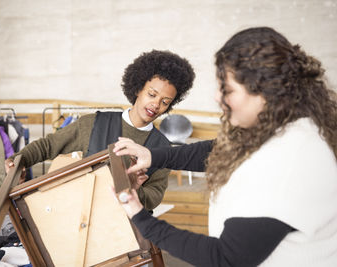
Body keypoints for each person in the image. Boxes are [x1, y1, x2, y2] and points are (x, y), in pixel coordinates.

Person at [113, 27, 337, 266]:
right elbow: (216, 150)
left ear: (265, 92)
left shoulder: (290, 159)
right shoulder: (279, 126)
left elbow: (226, 257)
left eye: (227, 90)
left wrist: (140, 218)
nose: (217, 98)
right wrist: (152, 156)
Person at [5, 49, 195, 210]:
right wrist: (18, 161)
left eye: (165, 102)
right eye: (152, 94)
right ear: (138, 88)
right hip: (80, 215)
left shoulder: (163, 148)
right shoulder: (94, 123)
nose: (155, 104)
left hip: (123, 231)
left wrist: (134, 189)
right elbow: (48, 146)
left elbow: (154, 197)